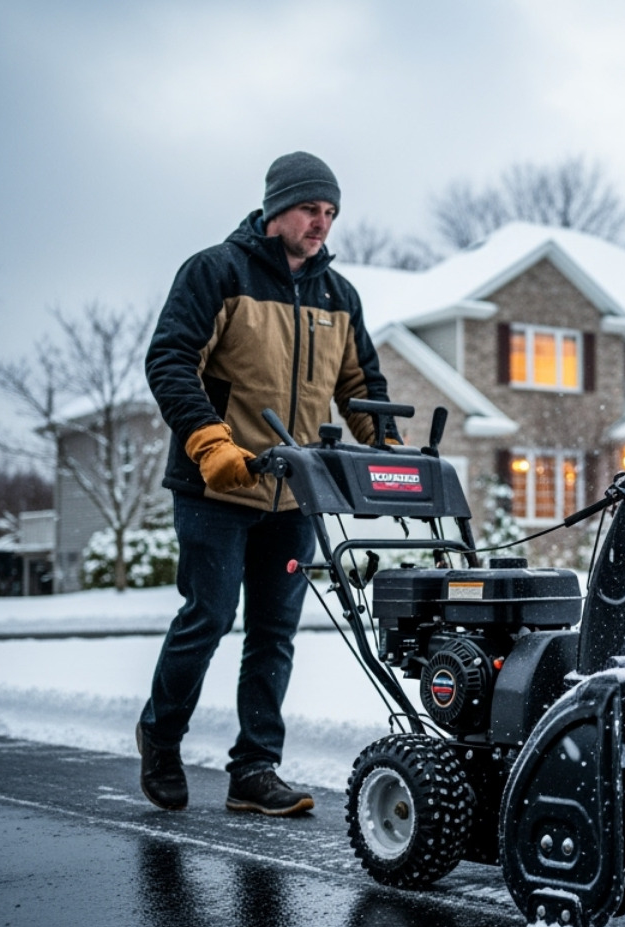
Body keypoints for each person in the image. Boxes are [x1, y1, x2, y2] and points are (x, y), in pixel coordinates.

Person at [138, 152, 398, 815]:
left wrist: (387, 449)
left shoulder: (338, 296)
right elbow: (171, 359)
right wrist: (208, 440)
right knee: (209, 616)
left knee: (274, 633)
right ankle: (161, 738)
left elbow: (362, 386)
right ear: (277, 208)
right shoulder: (217, 271)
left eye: (331, 213)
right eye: (312, 209)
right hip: (217, 485)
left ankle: (254, 769)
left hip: (293, 493)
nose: (322, 224)